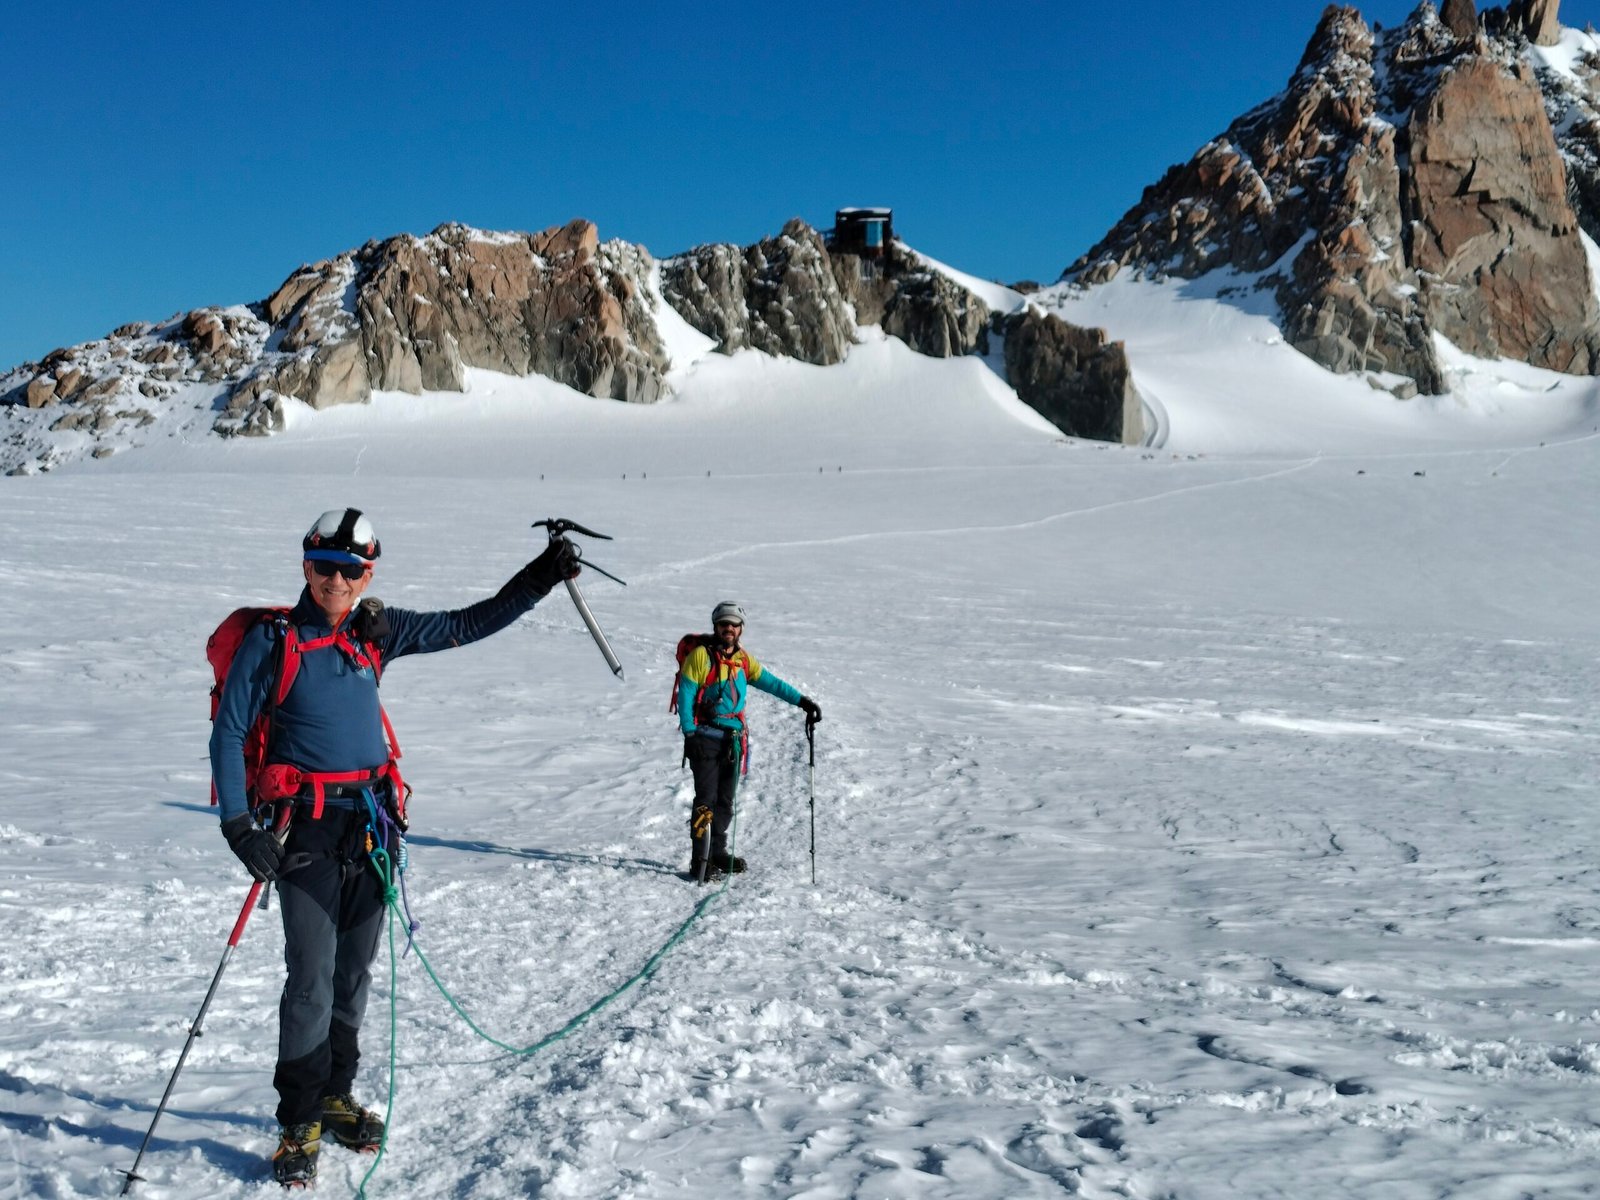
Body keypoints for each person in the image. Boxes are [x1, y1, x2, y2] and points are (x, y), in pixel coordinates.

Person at [211, 508, 579, 1187]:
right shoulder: (275, 641)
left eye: (351, 571)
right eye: (325, 568)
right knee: (311, 980)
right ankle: (298, 1123)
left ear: (368, 572)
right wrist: (239, 825)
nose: (337, 582)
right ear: (305, 567)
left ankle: (333, 1097)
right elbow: (230, 733)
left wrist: (537, 580)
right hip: (307, 830)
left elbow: (466, 624)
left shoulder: (376, 633)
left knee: (353, 977)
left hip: (374, 824)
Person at [676, 601, 821, 882]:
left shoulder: (743, 660)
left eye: (733, 624)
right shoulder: (700, 657)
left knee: (725, 802)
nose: (728, 628)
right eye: (723, 624)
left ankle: (717, 852)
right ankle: (700, 861)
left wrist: (802, 702)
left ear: (741, 629)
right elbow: (686, 694)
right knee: (705, 801)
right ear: (715, 627)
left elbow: (771, 682)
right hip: (704, 738)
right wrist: (689, 732)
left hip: (733, 740)